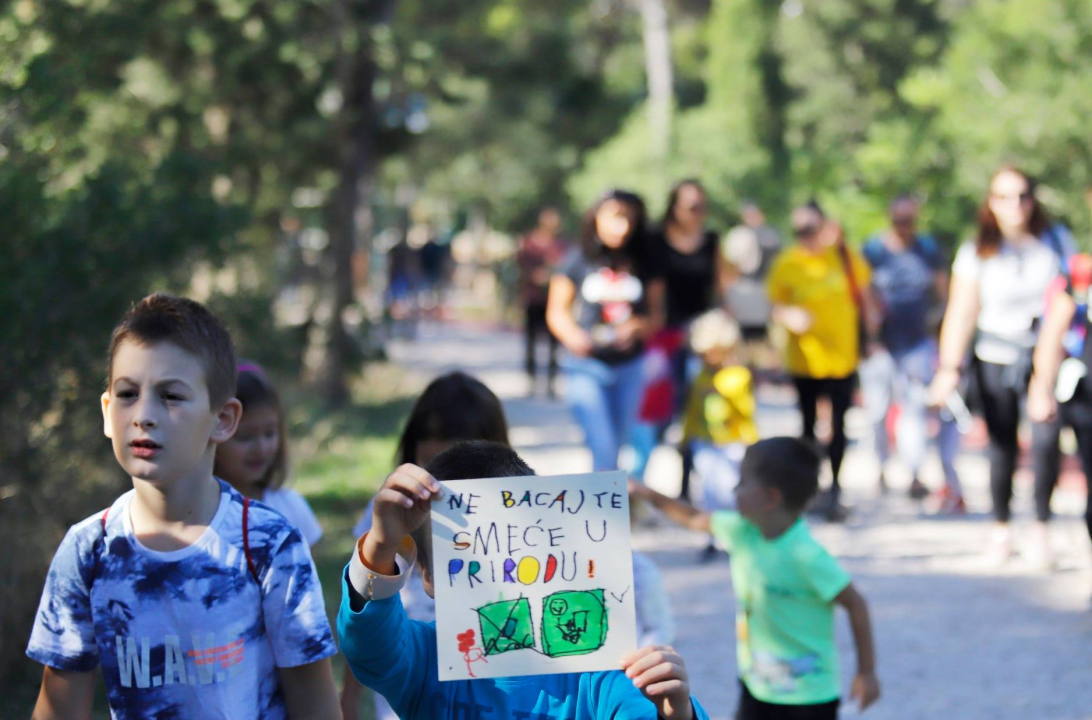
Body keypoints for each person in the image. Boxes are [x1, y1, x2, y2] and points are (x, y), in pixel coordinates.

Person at [26, 294, 339, 720]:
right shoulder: (88, 552)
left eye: (171, 396)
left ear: (223, 419)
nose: (144, 415)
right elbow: (60, 708)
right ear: (106, 412)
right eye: (127, 394)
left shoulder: (269, 544)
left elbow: (315, 706)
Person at [339, 441, 709, 719]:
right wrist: (380, 547)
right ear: (430, 577)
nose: (506, 574)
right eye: (472, 558)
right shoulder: (424, 661)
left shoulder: (600, 675)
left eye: (520, 546)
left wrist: (675, 713)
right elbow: (368, 647)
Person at [630, 438, 880, 719]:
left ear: (770, 498)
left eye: (742, 483)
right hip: (756, 687)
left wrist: (866, 672)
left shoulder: (806, 556)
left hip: (810, 698)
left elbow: (856, 604)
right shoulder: (742, 531)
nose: (735, 490)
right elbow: (693, 518)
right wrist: (646, 493)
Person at [340, 371, 510, 720]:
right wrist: (349, 700)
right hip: (406, 688)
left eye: (461, 445)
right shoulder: (388, 519)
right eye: (433, 441)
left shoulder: (515, 521)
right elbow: (365, 617)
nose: (446, 453)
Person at [929, 166, 1076, 565]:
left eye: (1023, 195)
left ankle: (1041, 527)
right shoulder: (977, 249)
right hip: (995, 356)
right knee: (1001, 446)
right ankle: (1001, 527)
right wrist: (948, 368)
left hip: (1046, 356)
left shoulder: (1056, 242)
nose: (1015, 205)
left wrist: (1047, 375)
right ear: (990, 203)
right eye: (1005, 197)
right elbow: (961, 312)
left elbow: (1067, 305)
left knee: (1046, 442)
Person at [767, 204, 876, 520]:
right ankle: (808, 487)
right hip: (804, 361)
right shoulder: (787, 263)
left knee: (840, 425)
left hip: (842, 358)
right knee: (807, 427)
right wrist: (789, 315)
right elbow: (775, 306)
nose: (807, 237)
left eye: (812, 229)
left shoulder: (843, 257)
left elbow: (864, 296)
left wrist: (871, 336)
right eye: (800, 231)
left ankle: (836, 489)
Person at [547, 189, 666, 472]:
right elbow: (556, 312)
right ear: (596, 217)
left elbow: (656, 316)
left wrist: (637, 327)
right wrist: (574, 337)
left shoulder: (647, 260)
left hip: (629, 367)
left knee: (619, 442)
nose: (621, 226)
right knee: (603, 447)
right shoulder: (577, 257)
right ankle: (604, 512)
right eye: (615, 217)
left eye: (629, 219)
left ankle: (607, 507)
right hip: (585, 366)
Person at [858, 196, 963, 510]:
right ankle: (879, 468)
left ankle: (914, 474)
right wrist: (870, 333)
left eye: (909, 220)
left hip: (917, 343)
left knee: (914, 409)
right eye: (899, 220)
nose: (904, 227)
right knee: (876, 412)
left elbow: (944, 293)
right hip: (881, 344)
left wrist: (939, 329)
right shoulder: (874, 251)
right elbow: (863, 293)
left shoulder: (927, 250)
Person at [632, 180, 730, 492]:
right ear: (674, 207)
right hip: (664, 337)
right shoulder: (656, 240)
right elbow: (653, 291)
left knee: (697, 408)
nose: (697, 213)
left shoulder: (711, 241)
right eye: (690, 206)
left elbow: (720, 287)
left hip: (703, 336)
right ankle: (639, 483)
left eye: (702, 206)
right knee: (655, 410)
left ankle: (687, 482)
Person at [1027, 253, 1092, 573]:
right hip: (1080, 392)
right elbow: (1053, 331)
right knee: (1046, 453)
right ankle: (1041, 527)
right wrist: (1042, 389)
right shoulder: (1081, 273)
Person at [214, 363, 323, 546]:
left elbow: (309, 573)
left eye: (270, 433)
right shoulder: (196, 513)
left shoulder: (291, 507)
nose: (261, 448)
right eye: (245, 437)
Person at [681, 309, 759, 558]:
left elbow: (746, 412)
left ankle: (734, 536)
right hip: (704, 441)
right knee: (707, 491)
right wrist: (685, 436)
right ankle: (713, 537)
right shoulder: (700, 375)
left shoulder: (739, 376)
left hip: (732, 442)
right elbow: (692, 409)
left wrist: (753, 443)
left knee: (729, 490)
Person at [517, 207, 569, 397]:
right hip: (534, 298)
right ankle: (531, 381)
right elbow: (521, 268)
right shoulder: (530, 243)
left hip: (555, 301)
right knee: (531, 342)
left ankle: (551, 383)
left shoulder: (562, 246)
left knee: (554, 345)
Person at [724, 201, 783, 346]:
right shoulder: (738, 236)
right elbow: (731, 268)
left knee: (762, 339)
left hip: (764, 290)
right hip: (743, 289)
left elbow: (777, 267)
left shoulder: (771, 236)